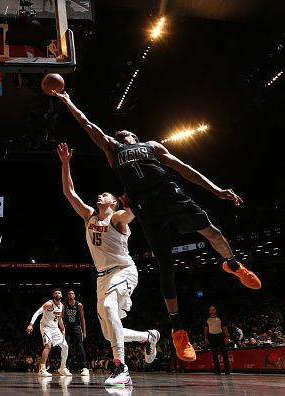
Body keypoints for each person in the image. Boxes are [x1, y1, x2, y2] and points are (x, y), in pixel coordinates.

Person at [56, 91, 261, 362]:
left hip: (169, 195)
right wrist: (68, 100)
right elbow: (88, 125)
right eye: (123, 132)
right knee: (165, 267)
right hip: (146, 211)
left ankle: (233, 265)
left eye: (129, 131)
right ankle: (177, 330)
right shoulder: (113, 150)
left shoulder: (152, 146)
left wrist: (215, 189)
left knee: (213, 232)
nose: (126, 133)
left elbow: (182, 166)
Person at [57, 143, 159, 386]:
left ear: (113, 203)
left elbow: (130, 214)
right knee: (108, 332)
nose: (100, 196)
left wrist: (131, 204)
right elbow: (69, 192)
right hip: (102, 277)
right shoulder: (89, 216)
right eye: (100, 195)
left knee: (109, 307)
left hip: (124, 271)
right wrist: (65, 163)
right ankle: (148, 337)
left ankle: (121, 368)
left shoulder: (118, 218)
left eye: (105, 195)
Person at [26, 288, 72, 377]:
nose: (58, 294)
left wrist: (63, 328)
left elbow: (59, 318)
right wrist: (31, 324)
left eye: (59, 293)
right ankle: (42, 369)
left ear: (61, 295)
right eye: (56, 293)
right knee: (48, 346)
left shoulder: (62, 306)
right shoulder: (49, 304)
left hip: (55, 328)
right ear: (53, 295)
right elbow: (37, 313)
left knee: (65, 347)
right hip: (46, 327)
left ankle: (62, 367)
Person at [60, 289, 90, 376]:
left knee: (80, 346)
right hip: (67, 328)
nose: (70, 295)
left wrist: (84, 331)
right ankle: (66, 367)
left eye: (72, 293)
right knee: (66, 347)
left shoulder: (79, 305)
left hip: (77, 328)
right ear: (67, 296)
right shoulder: (64, 305)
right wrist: (62, 329)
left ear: (74, 295)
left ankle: (84, 367)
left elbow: (82, 319)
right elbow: (61, 318)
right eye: (69, 294)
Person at [204, 306, 230, 374]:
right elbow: (206, 329)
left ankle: (227, 370)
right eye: (211, 310)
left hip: (220, 336)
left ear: (215, 310)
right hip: (212, 337)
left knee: (224, 354)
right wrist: (206, 338)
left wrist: (226, 338)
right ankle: (217, 370)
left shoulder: (220, 318)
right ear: (209, 311)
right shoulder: (207, 319)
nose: (212, 311)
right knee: (214, 355)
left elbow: (225, 328)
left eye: (213, 309)